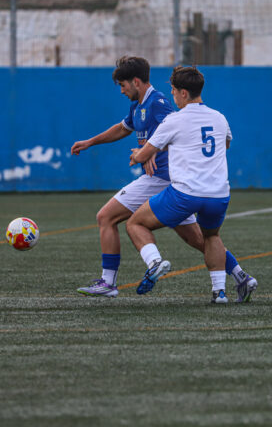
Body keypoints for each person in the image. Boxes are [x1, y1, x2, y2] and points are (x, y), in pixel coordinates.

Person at [71, 57, 256, 302]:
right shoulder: (139, 105)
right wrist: (91, 142)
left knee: (107, 216)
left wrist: (147, 153)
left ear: (136, 81)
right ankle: (239, 275)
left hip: (164, 179)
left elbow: (175, 131)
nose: (121, 90)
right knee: (201, 238)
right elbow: (124, 128)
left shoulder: (159, 104)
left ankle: (111, 281)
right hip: (195, 187)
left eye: (123, 85)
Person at [125, 65, 235, 303]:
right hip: (218, 194)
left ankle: (154, 262)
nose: (172, 96)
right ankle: (220, 292)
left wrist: (136, 154)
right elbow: (224, 146)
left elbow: (144, 155)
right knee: (211, 237)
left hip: (186, 193)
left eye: (174, 91)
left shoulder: (174, 120)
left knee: (135, 224)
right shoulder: (219, 117)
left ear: (183, 93)